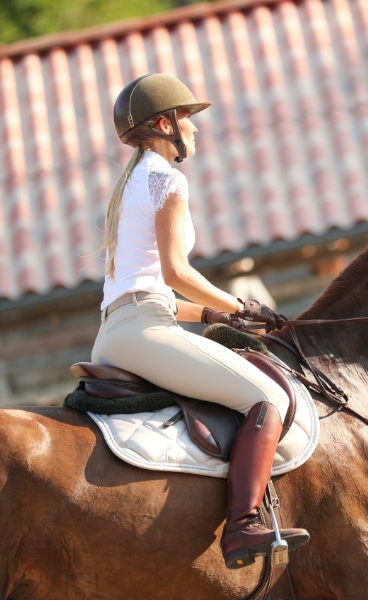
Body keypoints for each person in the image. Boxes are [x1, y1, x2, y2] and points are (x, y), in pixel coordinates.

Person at [91, 73, 309, 569]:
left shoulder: (131, 185)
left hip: (119, 331)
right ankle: (242, 526)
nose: (195, 127)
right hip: (142, 331)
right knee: (268, 397)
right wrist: (240, 306)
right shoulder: (168, 179)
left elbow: (152, 290)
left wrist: (211, 314)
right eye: (187, 117)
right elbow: (175, 272)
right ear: (164, 124)